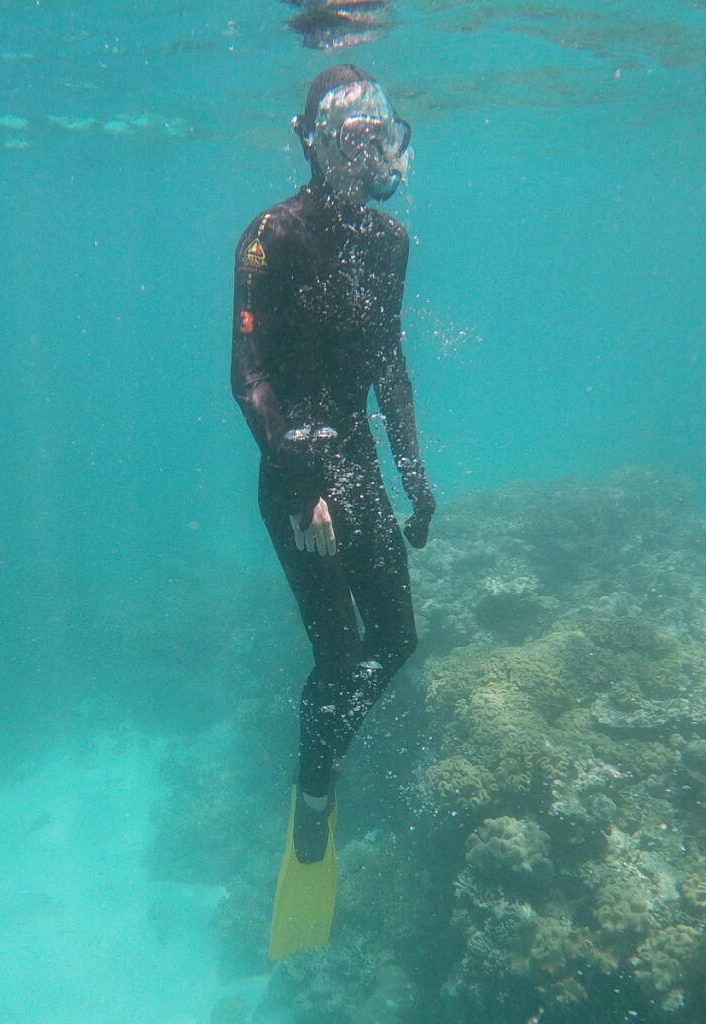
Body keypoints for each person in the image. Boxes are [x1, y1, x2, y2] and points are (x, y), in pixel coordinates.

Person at [231, 64, 435, 865]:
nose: (366, 156)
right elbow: (248, 379)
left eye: (377, 138)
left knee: (399, 638)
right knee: (341, 654)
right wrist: (300, 481)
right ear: (312, 143)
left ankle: (330, 738)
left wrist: (413, 477)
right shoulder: (269, 236)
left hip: (353, 460)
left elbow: (390, 368)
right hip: (295, 476)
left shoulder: (390, 243)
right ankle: (313, 787)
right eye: (349, 140)